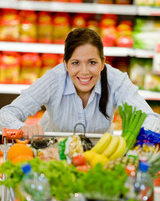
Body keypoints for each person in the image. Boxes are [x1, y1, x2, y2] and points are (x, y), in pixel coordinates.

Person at [0, 28, 160, 139]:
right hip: (53, 157)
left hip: (99, 161)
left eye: (92, 62)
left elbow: (151, 118)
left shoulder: (116, 80)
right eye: (76, 63)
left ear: (103, 63)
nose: (84, 72)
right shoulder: (54, 79)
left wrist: (141, 135)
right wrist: (22, 127)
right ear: (66, 64)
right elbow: (6, 114)